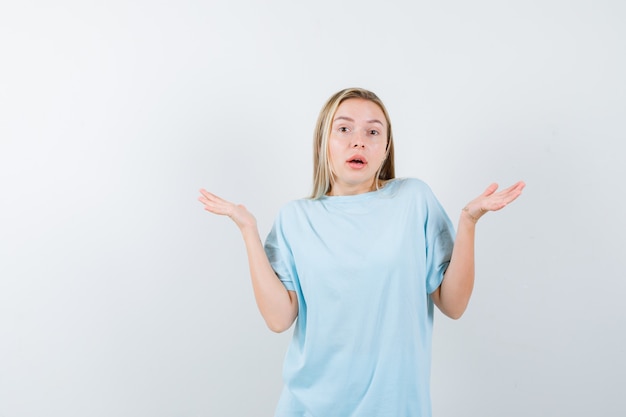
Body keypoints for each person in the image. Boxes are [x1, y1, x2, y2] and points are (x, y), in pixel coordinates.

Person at [198, 88, 525, 417]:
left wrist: (468, 221)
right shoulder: (295, 218)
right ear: (323, 142)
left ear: (385, 149)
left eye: (373, 131)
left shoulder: (413, 200)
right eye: (344, 129)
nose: (359, 141)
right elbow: (279, 318)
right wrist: (248, 231)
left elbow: (453, 305)